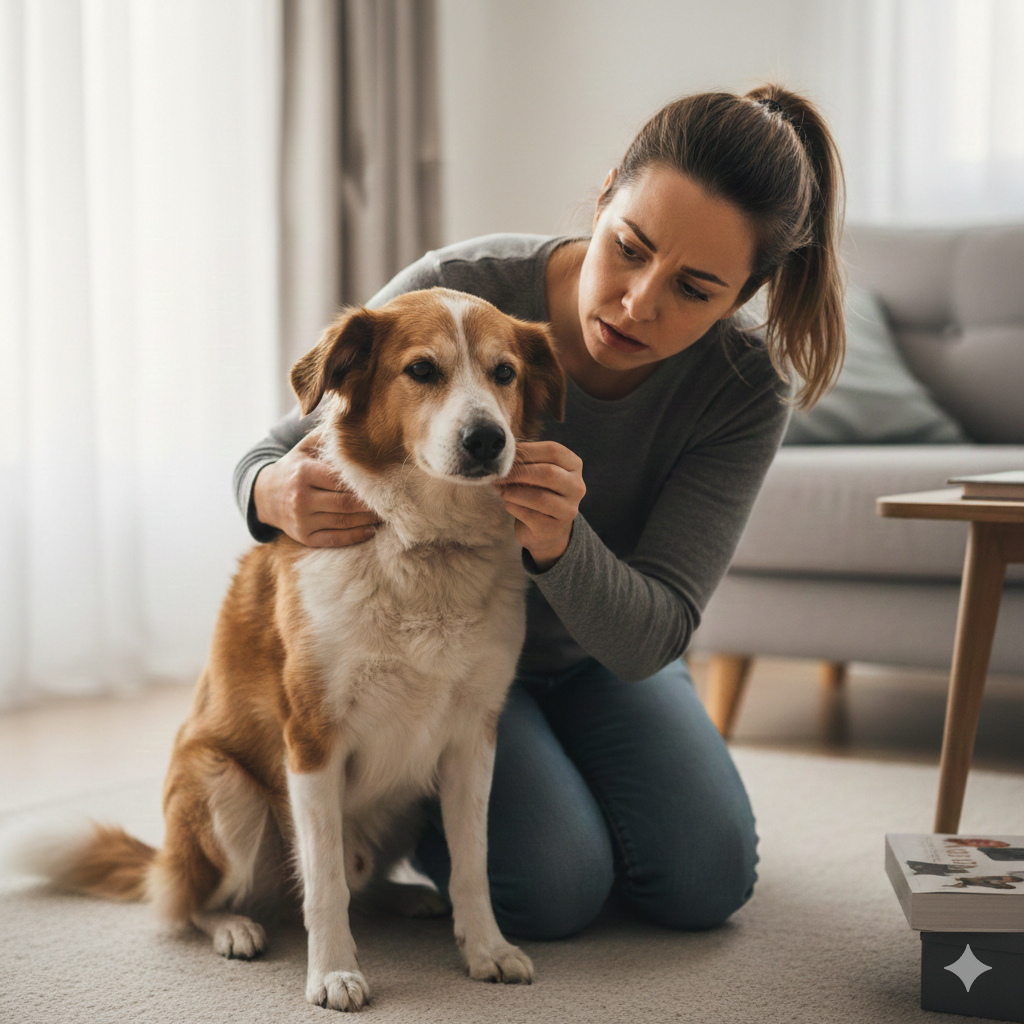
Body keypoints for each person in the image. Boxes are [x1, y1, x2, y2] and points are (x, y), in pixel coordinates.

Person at [234, 85, 846, 940]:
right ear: (603, 197)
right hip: (454, 660)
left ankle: (574, 787)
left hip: (608, 661)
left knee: (705, 880)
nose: (638, 302)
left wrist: (563, 546)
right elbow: (275, 446)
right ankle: (526, 819)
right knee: (551, 892)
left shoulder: (742, 390)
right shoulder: (463, 291)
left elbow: (654, 633)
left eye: (695, 289)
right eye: (628, 247)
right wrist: (269, 492)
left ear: (744, 293)